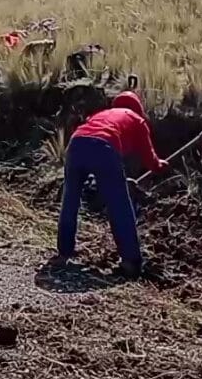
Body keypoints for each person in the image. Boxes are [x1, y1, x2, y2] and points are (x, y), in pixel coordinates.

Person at [57, 90, 168, 277]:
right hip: (103, 148)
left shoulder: (101, 115)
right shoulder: (136, 119)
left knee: (70, 200)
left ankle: (64, 252)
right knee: (119, 205)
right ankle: (131, 261)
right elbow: (150, 159)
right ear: (138, 109)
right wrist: (159, 166)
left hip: (75, 144)